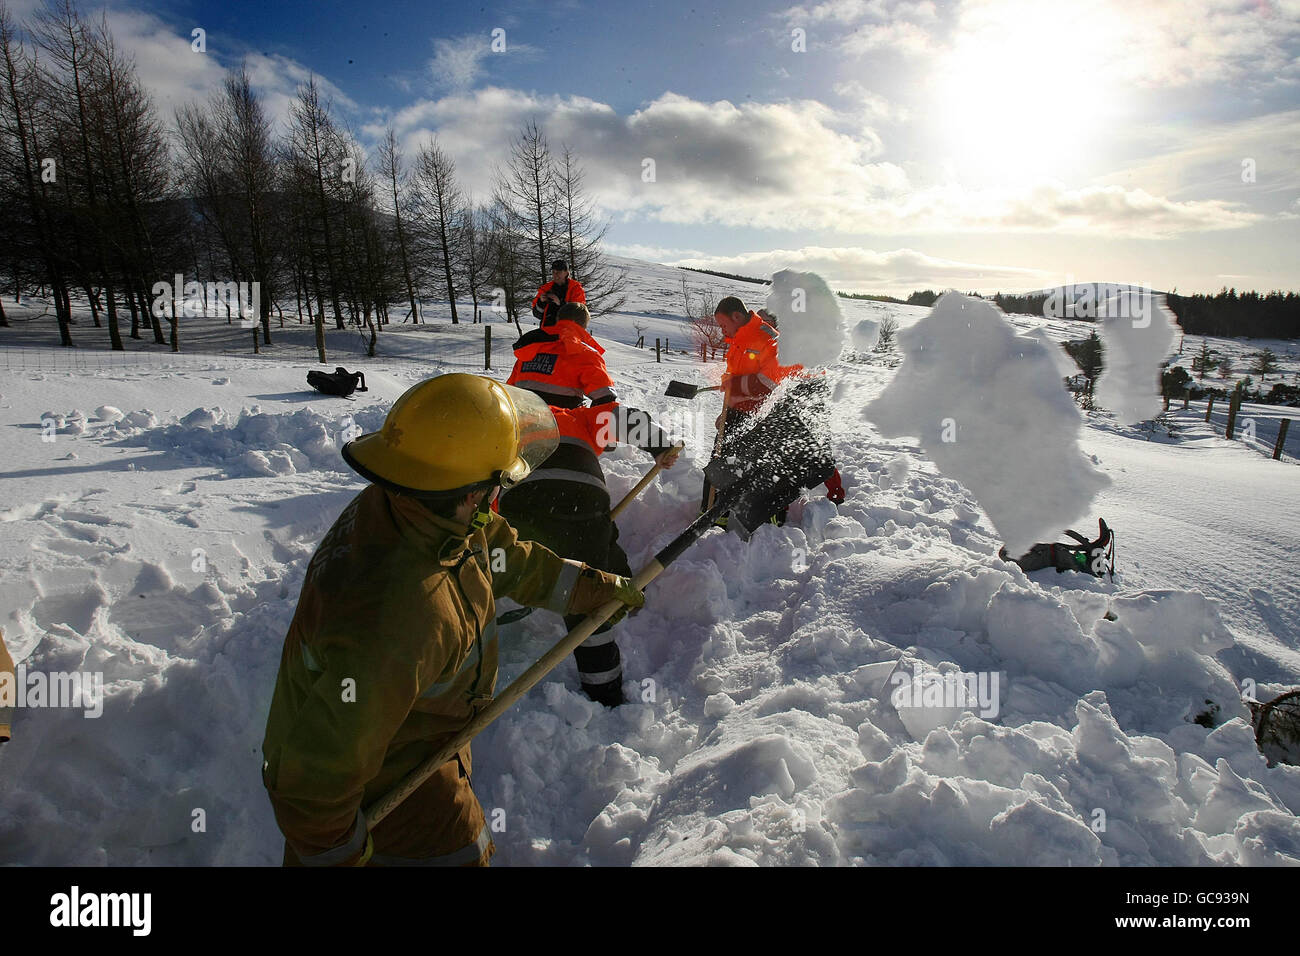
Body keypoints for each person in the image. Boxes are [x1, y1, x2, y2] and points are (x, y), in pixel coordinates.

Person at [261, 373, 646, 867]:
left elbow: (509, 558)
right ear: (470, 493)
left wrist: (592, 587)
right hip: (383, 785)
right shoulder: (401, 614)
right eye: (496, 486)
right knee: (462, 852)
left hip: (418, 737)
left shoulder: (418, 504)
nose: (496, 499)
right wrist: (334, 853)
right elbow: (318, 773)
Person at [499, 308, 680, 706]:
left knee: (510, 559)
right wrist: (660, 446)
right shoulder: (583, 416)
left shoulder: (512, 418)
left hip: (519, 495)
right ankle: (605, 691)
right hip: (581, 496)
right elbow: (619, 416)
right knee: (590, 576)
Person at [700, 296, 846, 519]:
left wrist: (734, 384)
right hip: (739, 413)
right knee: (720, 461)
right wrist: (726, 411)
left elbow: (767, 384)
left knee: (767, 465)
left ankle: (766, 513)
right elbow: (735, 381)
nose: (722, 331)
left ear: (737, 317)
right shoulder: (737, 341)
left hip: (767, 414)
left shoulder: (772, 341)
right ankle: (712, 511)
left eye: (723, 325)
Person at [509, 301, 615, 408]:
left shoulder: (529, 348)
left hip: (520, 419)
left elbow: (508, 392)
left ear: (558, 319)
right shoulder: (584, 353)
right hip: (562, 422)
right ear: (584, 325)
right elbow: (606, 400)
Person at [531, 259, 586, 327]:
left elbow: (579, 314)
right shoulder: (545, 288)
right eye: (554, 272)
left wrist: (560, 303)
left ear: (566, 273)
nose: (556, 275)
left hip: (567, 331)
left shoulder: (575, 288)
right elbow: (537, 314)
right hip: (547, 330)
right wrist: (541, 302)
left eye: (559, 272)